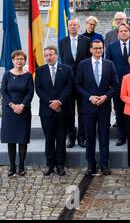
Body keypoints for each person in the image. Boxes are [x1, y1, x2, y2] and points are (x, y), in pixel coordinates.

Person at [76, 40, 119, 177]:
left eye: (100, 48)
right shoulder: (83, 65)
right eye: (95, 48)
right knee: (90, 137)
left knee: (104, 137)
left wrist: (106, 97)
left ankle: (104, 165)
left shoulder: (109, 64)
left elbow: (116, 85)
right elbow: (78, 85)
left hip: (104, 106)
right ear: (90, 50)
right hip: (88, 107)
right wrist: (89, 97)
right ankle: (91, 165)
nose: (98, 51)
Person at [35, 46, 73, 176]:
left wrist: (59, 101)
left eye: (51, 54)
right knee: (49, 139)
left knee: (61, 139)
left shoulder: (67, 69)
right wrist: (51, 102)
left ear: (56, 55)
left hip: (62, 109)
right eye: (46, 55)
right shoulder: (40, 70)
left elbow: (69, 87)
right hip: (47, 110)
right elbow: (38, 89)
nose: (48, 57)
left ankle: (60, 165)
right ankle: (50, 165)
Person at [106, 23, 130, 146]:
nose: (123, 33)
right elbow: (108, 66)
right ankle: (121, 136)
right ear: (117, 34)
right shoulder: (111, 47)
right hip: (117, 85)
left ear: (129, 33)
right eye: (121, 31)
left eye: (125, 31)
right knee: (119, 110)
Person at [1, 51, 34, 177]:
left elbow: (30, 92)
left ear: (24, 61)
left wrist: (22, 105)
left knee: (22, 140)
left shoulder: (28, 76)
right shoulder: (7, 75)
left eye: (21, 59)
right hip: (9, 111)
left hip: (24, 111)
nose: (19, 61)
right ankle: (12, 166)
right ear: (13, 60)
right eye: (16, 59)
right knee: (11, 140)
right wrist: (12, 105)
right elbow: (3, 91)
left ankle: (21, 166)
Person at [59, 18, 91, 149]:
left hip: (82, 81)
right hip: (68, 82)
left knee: (83, 111)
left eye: (75, 25)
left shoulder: (86, 41)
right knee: (69, 111)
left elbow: (88, 60)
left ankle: (81, 137)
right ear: (68, 27)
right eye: (70, 25)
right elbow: (63, 59)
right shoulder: (62, 42)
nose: (72, 27)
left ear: (79, 27)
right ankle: (71, 136)